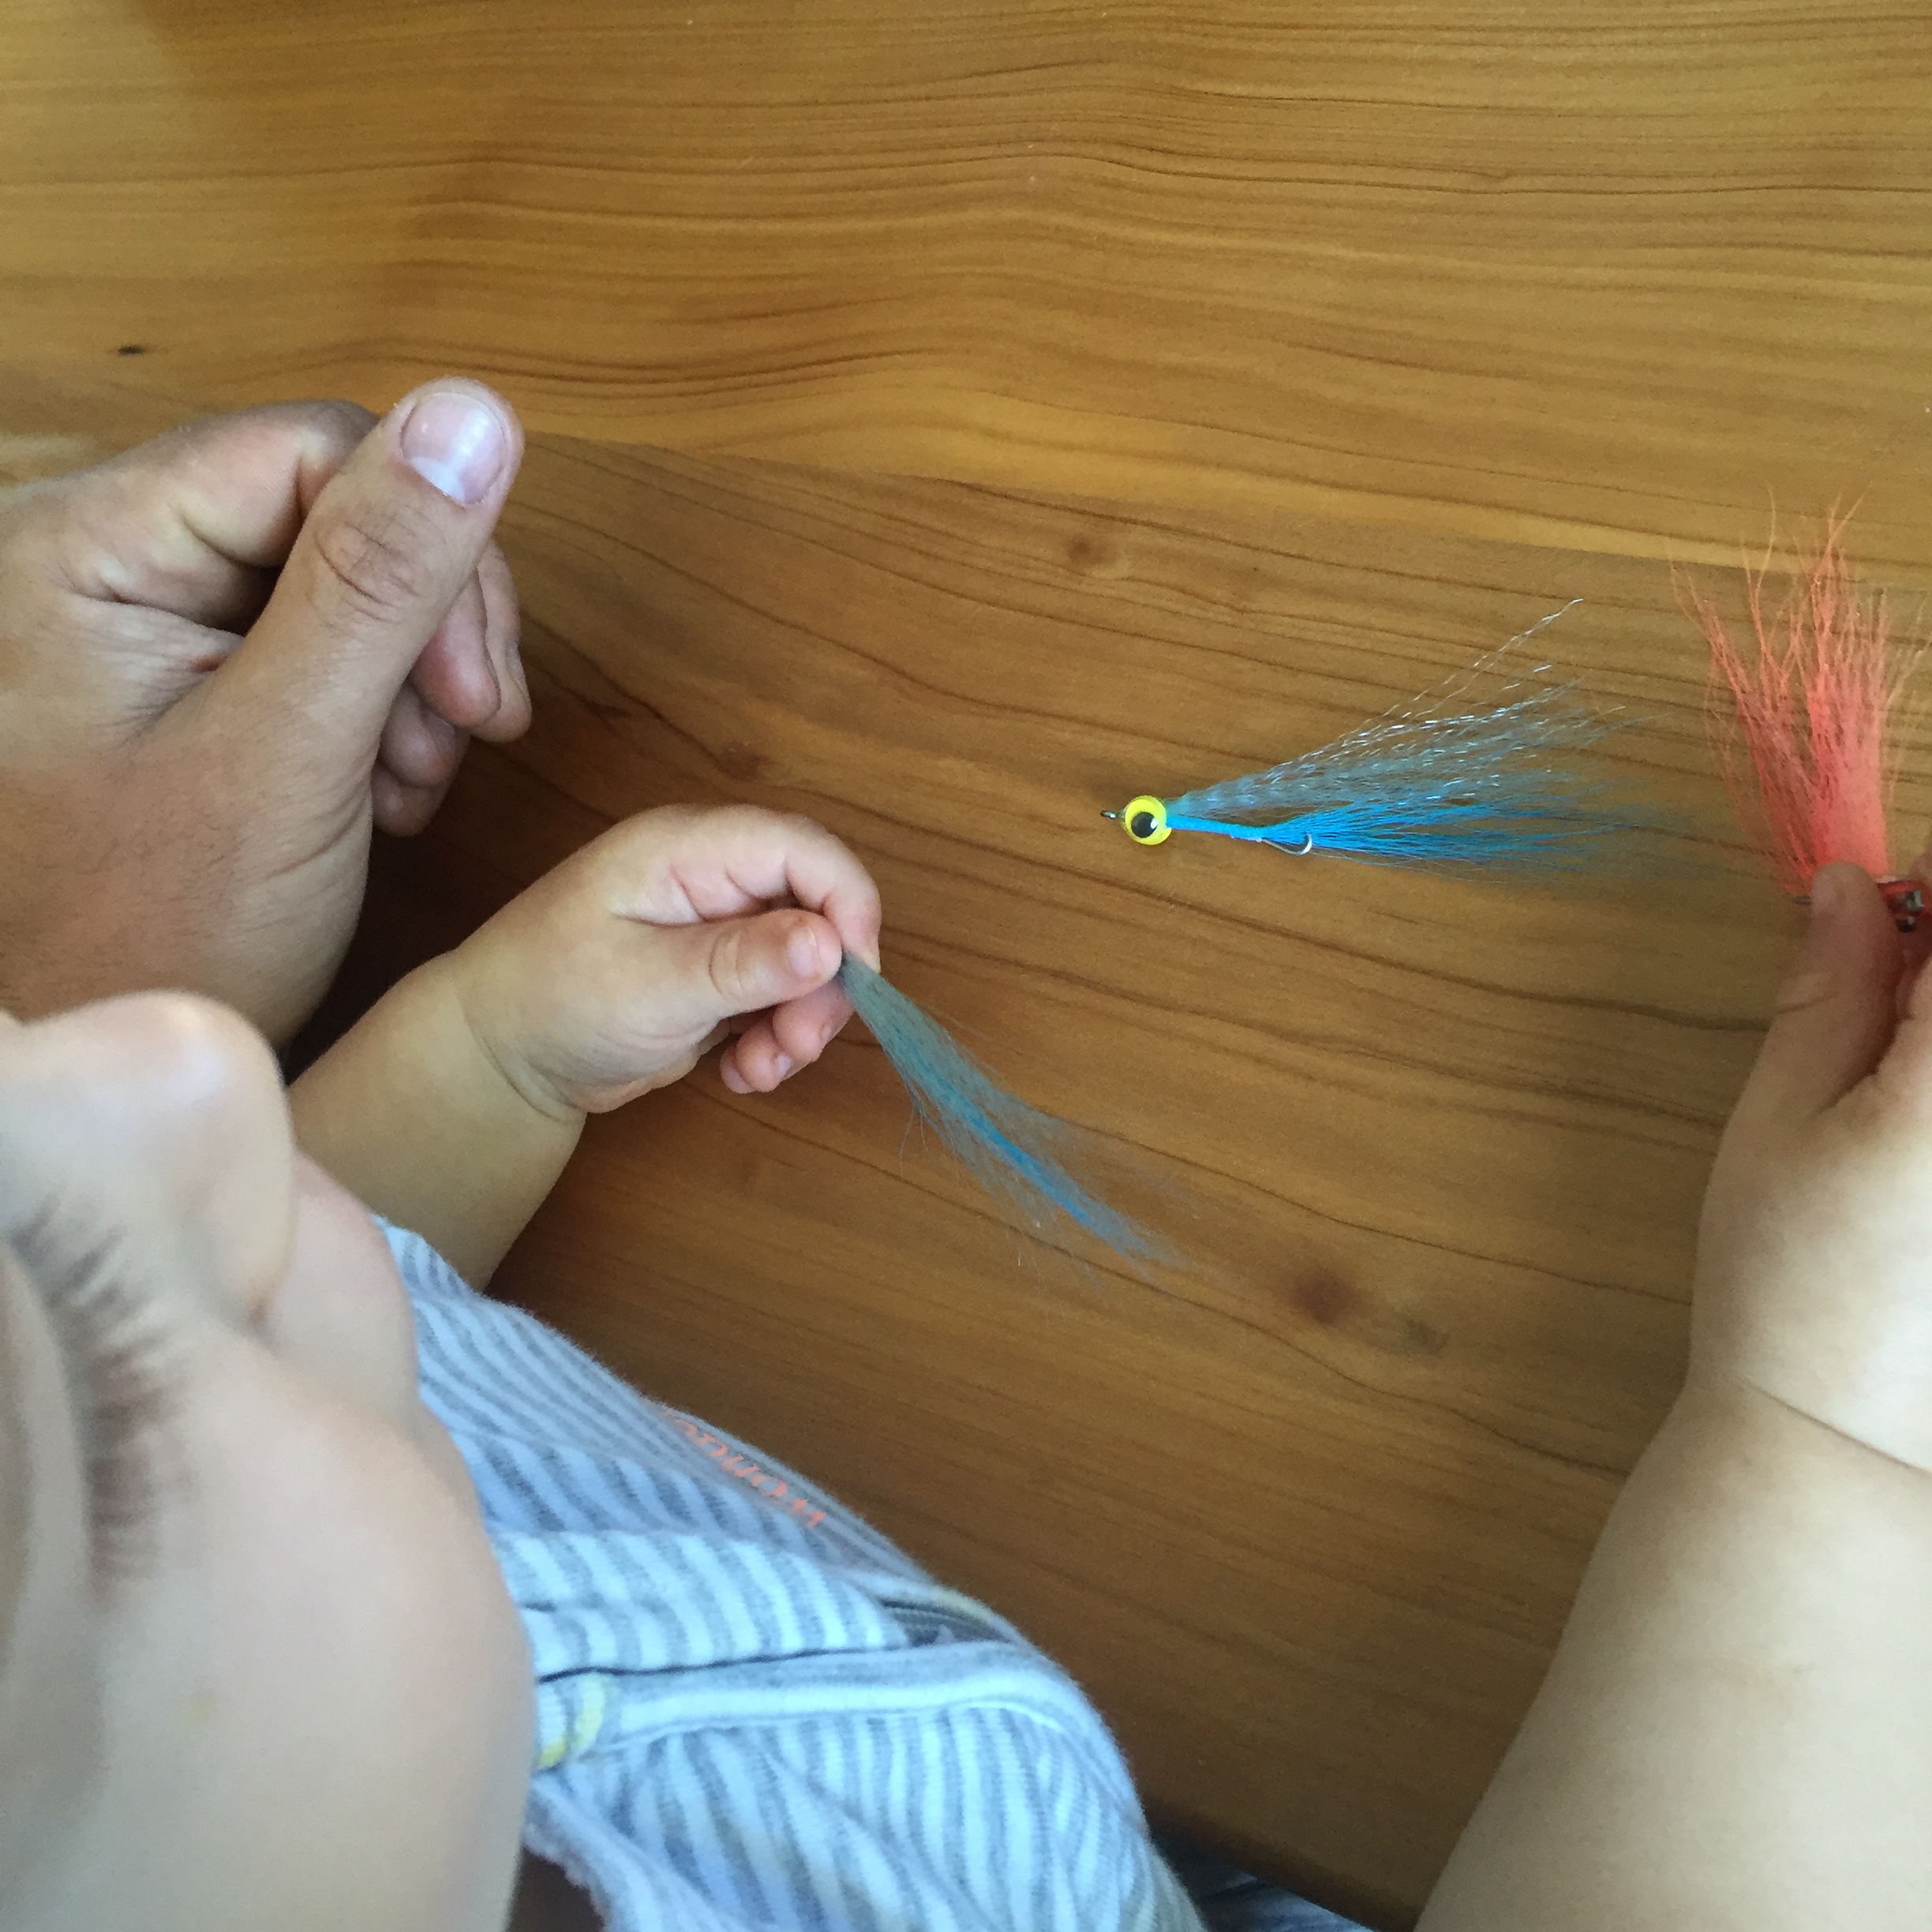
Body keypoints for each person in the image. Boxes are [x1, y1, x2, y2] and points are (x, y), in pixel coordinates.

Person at [3, 391, 1930, 1932]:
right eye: (110, 1326)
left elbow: (346, 1289)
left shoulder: (257, 1479)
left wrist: (486, 1054)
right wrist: (1823, 1434)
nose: (173, 1052)